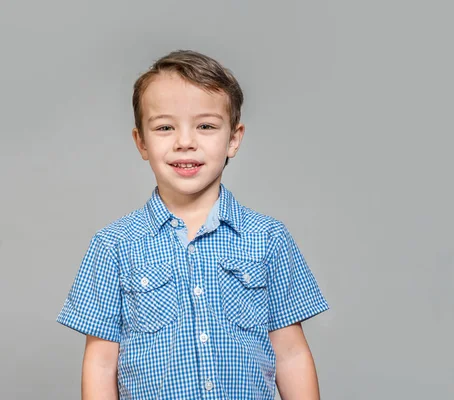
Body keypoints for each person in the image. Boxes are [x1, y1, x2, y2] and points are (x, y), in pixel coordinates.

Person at [56, 49, 330, 399]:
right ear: (141, 141)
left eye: (205, 126)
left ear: (233, 138)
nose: (185, 142)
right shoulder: (114, 245)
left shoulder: (268, 238)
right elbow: (100, 362)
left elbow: (291, 353)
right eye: (165, 127)